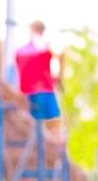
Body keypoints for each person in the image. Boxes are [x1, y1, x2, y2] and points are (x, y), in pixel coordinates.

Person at [14, 20, 67, 151]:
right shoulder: (45, 46)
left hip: (27, 94)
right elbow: (62, 54)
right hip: (45, 91)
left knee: (31, 130)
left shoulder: (21, 50)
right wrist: (60, 77)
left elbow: (18, 73)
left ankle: (39, 153)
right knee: (54, 126)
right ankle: (56, 154)